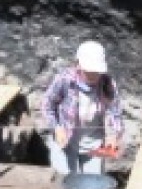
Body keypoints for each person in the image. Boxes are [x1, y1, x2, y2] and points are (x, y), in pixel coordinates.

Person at [41, 40, 124, 176]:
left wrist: (113, 135)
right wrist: (57, 128)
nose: (93, 75)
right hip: (65, 142)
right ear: (78, 65)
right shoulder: (65, 80)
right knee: (66, 183)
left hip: (93, 145)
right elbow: (47, 105)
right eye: (89, 71)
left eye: (96, 72)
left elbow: (115, 112)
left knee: (92, 185)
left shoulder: (108, 84)